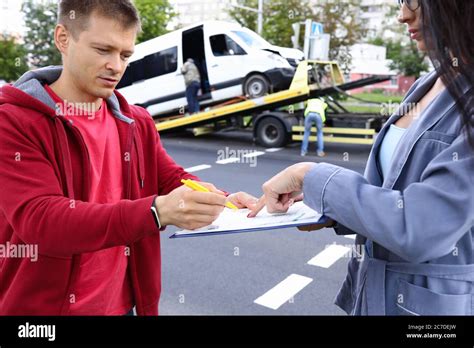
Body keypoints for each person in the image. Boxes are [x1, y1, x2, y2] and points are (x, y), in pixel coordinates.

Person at [0, 0, 257, 316]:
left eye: (125, 55)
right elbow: (41, 220)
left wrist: (225, 200)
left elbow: (170, 179)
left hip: (125, 306)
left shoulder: (136, 121)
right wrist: (155, 212)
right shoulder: (14, 121)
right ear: (63, 39)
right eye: (103, 50)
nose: (116, 66)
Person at [249, 0, 474, 315]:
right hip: (375, 295)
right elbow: (391, 195)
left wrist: (309, 175)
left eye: (415, 2)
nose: (402, 15)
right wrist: (326, 206)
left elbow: (420, 229)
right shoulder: (430, 81)